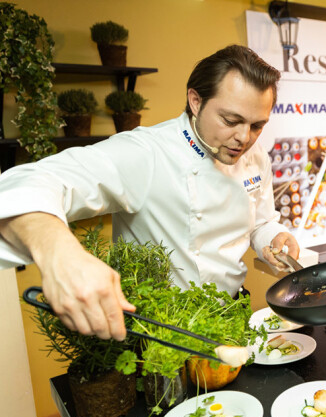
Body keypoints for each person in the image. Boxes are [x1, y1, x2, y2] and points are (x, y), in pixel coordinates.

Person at [0, 45, 300, 342]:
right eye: (231, 121)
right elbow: (26, 183)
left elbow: (260, 220)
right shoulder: (145, 153)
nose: (243, 138)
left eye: (257, 125)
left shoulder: (255, 154)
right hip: (160, 332)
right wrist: (60, 255)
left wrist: (271, 237)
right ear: (195, 101)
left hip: (233, 313)